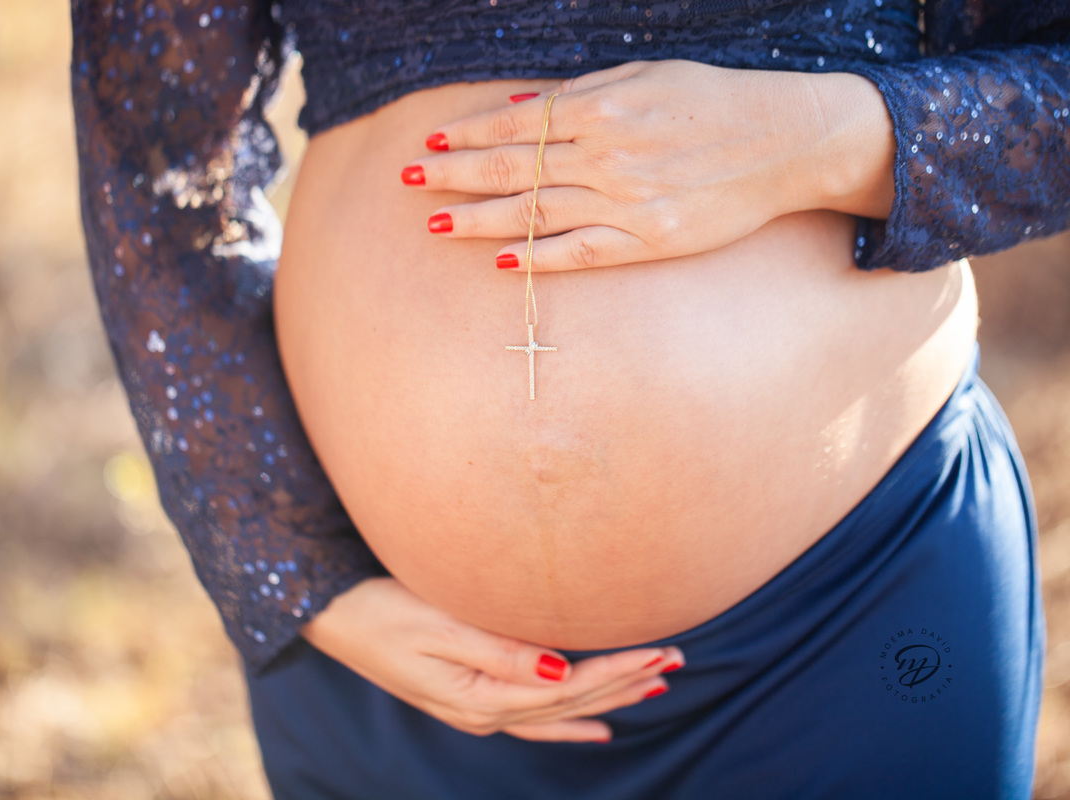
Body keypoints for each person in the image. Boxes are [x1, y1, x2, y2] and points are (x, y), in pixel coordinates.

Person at [70, 0, 1066, 796]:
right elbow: (154, 165)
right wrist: (290, 570)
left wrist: (815, 135)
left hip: (848, 616)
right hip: (393, 662)